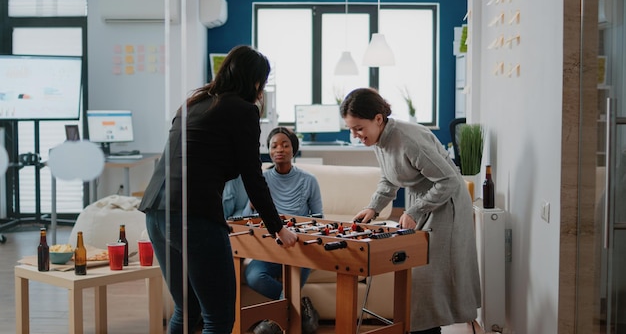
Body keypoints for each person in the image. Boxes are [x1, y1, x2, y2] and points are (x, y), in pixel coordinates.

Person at [138, 45, 298, 334]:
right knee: (219, 318)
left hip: (155, 214)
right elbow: (253, 176)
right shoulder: (243, 110)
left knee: (187, 311)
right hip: (192, 218)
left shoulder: (193, 104)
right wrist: (277, 228)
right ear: (255, 81)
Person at [339, 87, 481, 334]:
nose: (355, 135)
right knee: (415, 278)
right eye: (351, 129)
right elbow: (389, 179)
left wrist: (415, 210)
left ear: (378, 119)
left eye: (358, 128)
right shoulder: (379, 139)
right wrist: (373, 208)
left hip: (447, 205)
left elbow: (449, 180)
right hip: (426, 202)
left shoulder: (408, 139)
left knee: (424, 280)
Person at [235, 127, 323, 334]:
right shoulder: (260, 180)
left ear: (294, 149)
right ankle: (301, 307)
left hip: (300, 248)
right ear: (269, 150)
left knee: (292, 277)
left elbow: (319, 217)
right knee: (254, 276)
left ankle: (273, 322)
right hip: (269, 248)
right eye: (274, 146)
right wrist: (251, 205)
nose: (279, 149)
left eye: (285, 145)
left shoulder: (309, 180)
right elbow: (247, 218)